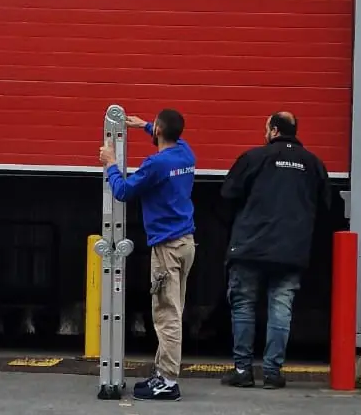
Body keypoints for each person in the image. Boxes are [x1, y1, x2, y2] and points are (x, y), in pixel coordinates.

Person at [219, 112, 331, 390]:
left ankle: (243, 371)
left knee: (243, 307)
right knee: (281, 308)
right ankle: (272, 373)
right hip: (291, 252)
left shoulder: (253, 158)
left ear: (274, 131)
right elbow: (327, 208)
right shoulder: (314, 164)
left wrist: (238, 229)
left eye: (266, 127)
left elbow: (226, 198)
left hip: (249, 247)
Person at [99, 109, 196, 402]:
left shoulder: (155, 164)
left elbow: (124, 191)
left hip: (166, 248)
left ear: (158, 133)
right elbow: (166, 134)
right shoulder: (185, 153)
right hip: (186, 244)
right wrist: (145, 126)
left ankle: (167, 381)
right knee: (174, 309)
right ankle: (162, 373)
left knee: (167, 315)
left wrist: (111, 164)